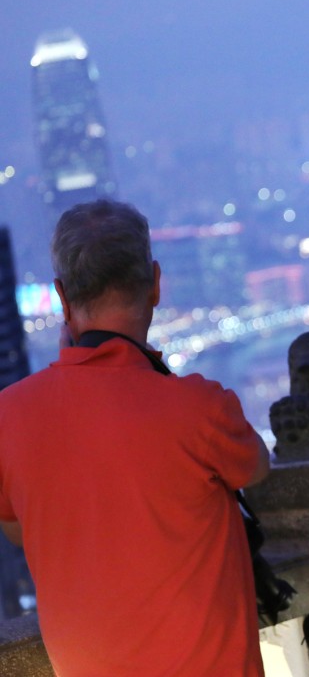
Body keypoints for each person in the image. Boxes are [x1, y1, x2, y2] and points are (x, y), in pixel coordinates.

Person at [0, 200, 270, 676]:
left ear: (62, 298)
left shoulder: (9, 416)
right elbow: (257, 468)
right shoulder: (200, 407)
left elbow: (21, 527)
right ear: (156, 284)